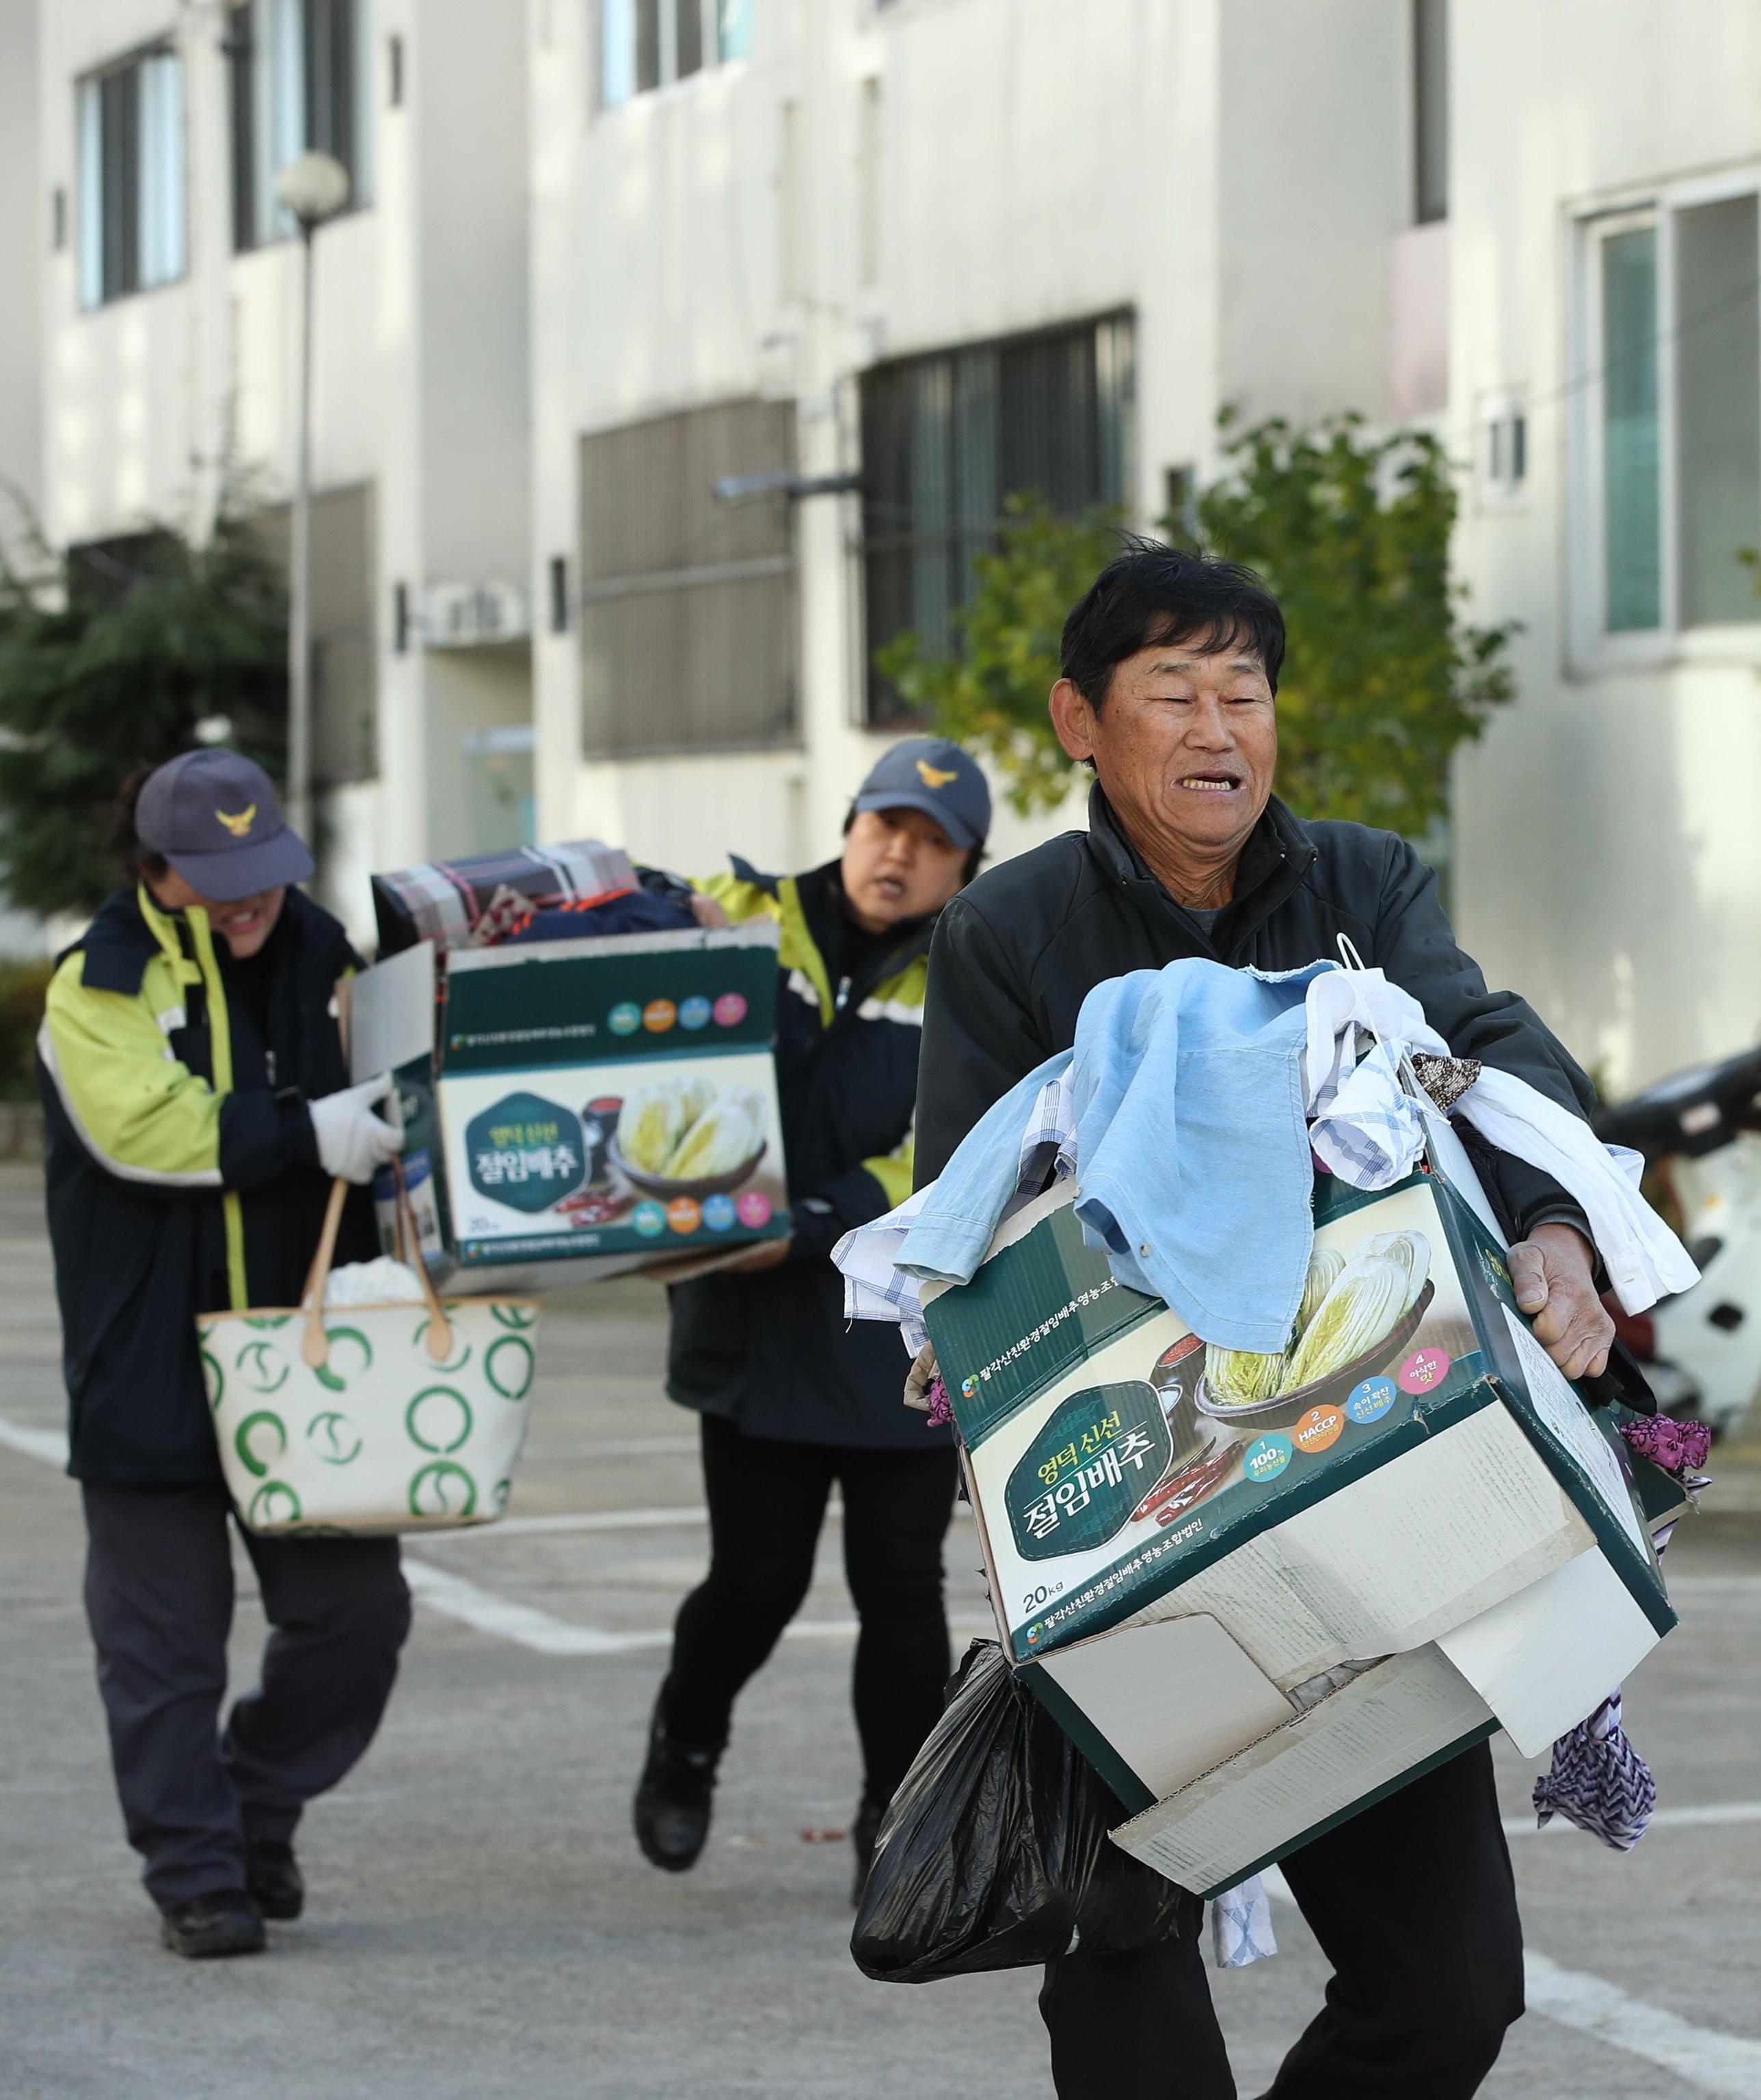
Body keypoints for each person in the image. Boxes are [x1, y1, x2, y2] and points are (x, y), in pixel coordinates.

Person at [914, 544, 1616, 2100]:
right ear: (1080, 722)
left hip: (1370, 1491)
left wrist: (1558, 1229)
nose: (1218, 728)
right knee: (1124, 1966)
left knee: (1449, 1993)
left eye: (1244, 692)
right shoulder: (1008, 932)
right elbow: (959, 1223)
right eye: (1173, 692)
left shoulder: (1360, 884)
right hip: (1134, 1520)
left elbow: (1477, 1049)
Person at [37, 749, 410, 1961]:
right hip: (147, 1360)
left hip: (311, 1357)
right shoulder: (100, 979)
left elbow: (398, 1090)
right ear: (155, 869)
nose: (249, 900)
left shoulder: (327, 955)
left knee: (355, 1618)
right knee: (163, 1649)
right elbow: (141, 1131)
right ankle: (196, 1874)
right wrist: (306, 1132)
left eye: (265, 872)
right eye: (217, 877)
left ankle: (251, 1809)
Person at [632, 737, 992, 1900]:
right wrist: (661, 920)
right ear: (848, 826)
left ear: (966, 865)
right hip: (749, 1326)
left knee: (899, 1591)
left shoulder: (972, 975)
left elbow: (954, 1154)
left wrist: (809, 1219)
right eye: (886, 826)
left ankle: (895, 1823)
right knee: (754, 1582)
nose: (900, 855)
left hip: (893, 1332)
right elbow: (623, 946)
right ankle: (686, 1742)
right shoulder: (746, 916)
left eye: (932, 843)